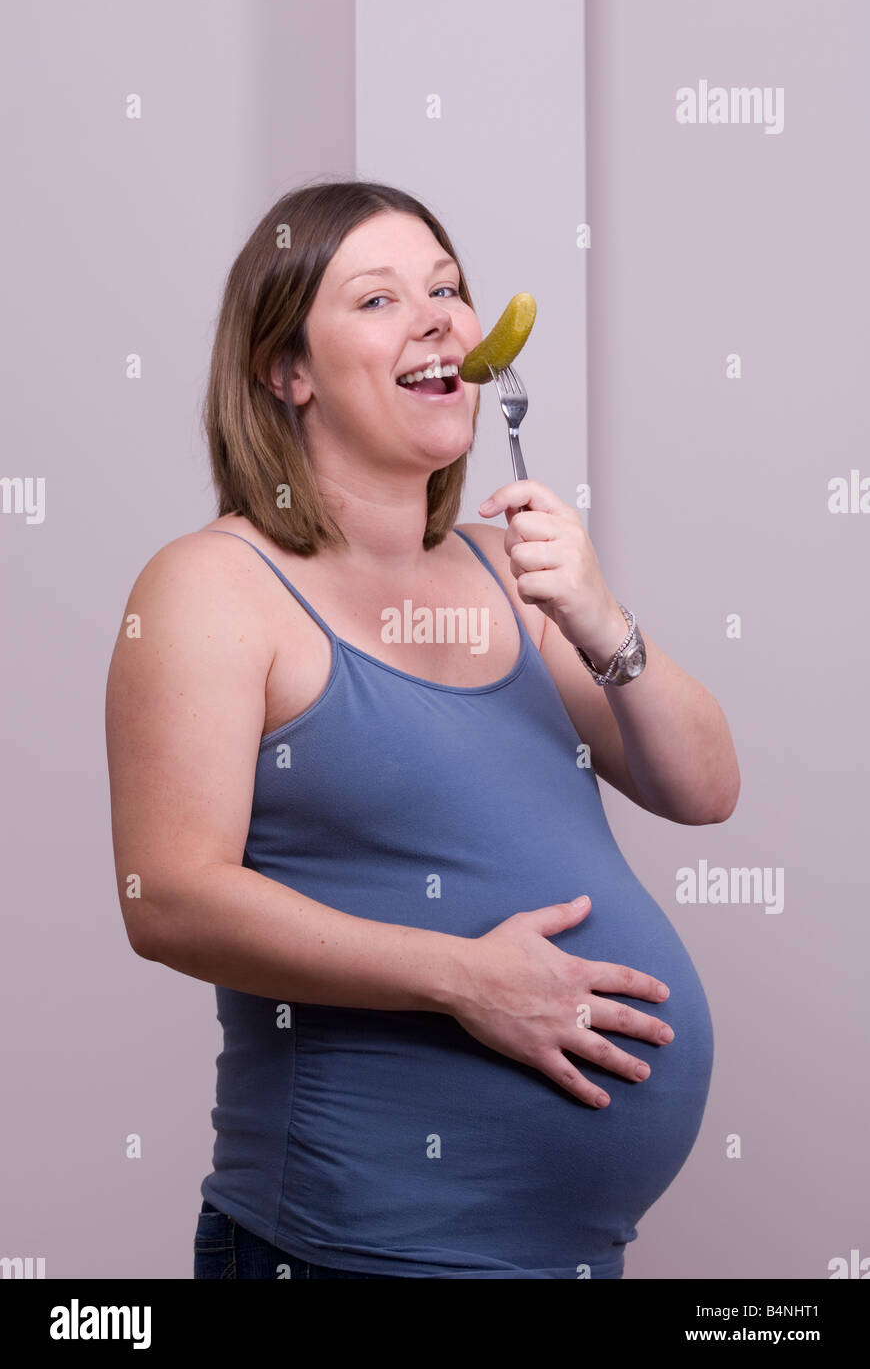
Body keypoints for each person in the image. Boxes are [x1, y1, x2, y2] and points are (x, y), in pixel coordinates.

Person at [105, 178, 740, 1280]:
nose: (441, 315)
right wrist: (466, 977)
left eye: (447, 287)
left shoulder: (509, 575)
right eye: (379, 299)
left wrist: (599, 618)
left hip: (565, 1260)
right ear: (285, 370)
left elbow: (704, 786)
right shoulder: (215, 586)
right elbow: (167, 898)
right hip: (352, 1251)